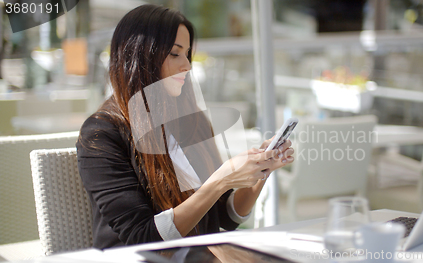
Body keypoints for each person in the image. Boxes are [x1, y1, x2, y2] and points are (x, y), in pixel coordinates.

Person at [76, 4, 294, 249]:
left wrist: (261, 172)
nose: (187, 66)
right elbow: (143, 237)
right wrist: (221, 179)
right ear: (140, 56)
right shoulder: (101, 134)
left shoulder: (190, 121)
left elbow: (226, 217)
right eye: (175, 54)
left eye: (187, 54)